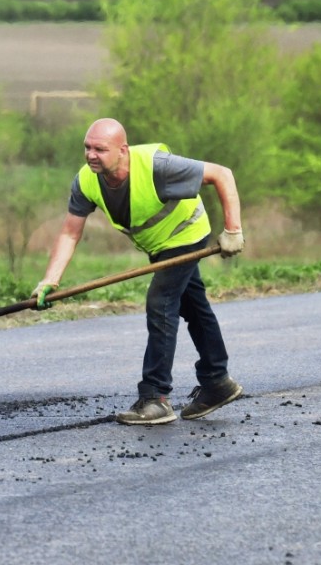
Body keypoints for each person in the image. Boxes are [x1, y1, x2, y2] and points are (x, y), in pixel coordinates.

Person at [32, 118, 245, 425]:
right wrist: (50, 280)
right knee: (193, 306)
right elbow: (69, 233)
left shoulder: (158, 166)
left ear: (123, 150)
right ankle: (217, 382)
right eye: (87, 147)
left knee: (161, 302)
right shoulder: (86, 181)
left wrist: (233, 230)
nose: (91, 155)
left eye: (100, 149)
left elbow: (221, 174)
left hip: (187, 234)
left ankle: (155, 396)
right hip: (157, 246)